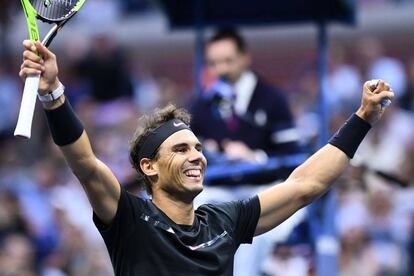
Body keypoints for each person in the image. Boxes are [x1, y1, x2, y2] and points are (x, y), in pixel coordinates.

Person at [19, 39, 394, 275]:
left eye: (198, 148)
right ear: (148, 167)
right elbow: (84, 163)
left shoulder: (224, 219)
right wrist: (52, 92)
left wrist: (362, 119)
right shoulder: (130, 219)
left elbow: (304, 185)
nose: (197, 156)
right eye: (181, 149)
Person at [190, 29, 300, 172]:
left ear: (245, 57)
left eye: (228, 61)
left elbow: (290, 151)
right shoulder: (203, 103)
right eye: (213, 63)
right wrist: (205, 149)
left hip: (264, 184)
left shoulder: (273, 98)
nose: (221, 69)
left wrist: (254, 157)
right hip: (217, 188)